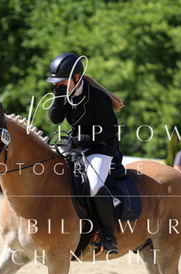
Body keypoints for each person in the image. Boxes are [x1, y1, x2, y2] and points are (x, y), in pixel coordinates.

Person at [47, 52, 124, 254]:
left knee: (93, 183)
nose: (58, 85)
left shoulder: (98, 98)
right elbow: (55, 119)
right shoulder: (66, 94)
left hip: (102, 147)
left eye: (62, 81)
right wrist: (58, 98)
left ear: (76, 77)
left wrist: (81, 140)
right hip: (77, 146)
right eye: (56, 83)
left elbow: (110, 130)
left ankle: (109, 236)